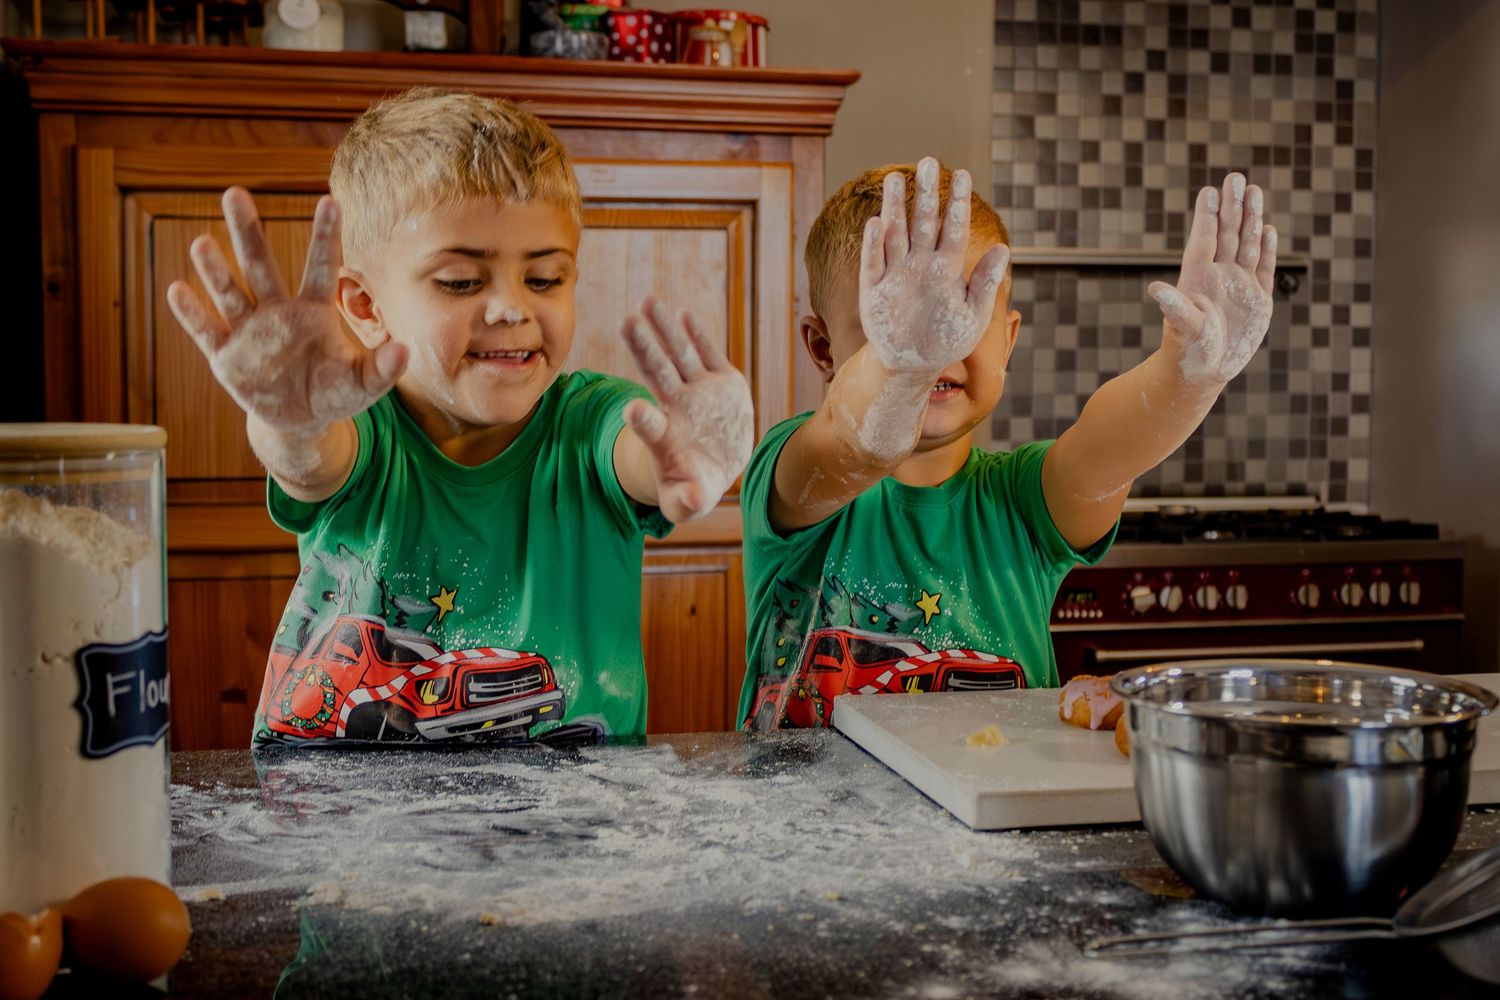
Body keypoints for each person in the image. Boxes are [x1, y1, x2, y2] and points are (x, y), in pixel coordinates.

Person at [167, 88, 754, 747]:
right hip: (346, 819)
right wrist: (288, 418)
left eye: (544, 279)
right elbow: (307, 457)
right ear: (365, 305)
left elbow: (640, 457)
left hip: (569, 825)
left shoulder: (591, 422)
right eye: (460, 281)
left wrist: (688, 447)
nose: (510, 308)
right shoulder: (361, 427)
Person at [737, 157, 1275, 729]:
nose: (938, 343)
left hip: (990, 815)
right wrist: (899, 372)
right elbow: (855, 443)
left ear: (1008, 340)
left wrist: (1185, 377)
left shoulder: (1025, 502)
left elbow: (1110, 448)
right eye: (892, 320)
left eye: (963, 314)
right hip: (804, 816)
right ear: (823, 350)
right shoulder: (796, 474)